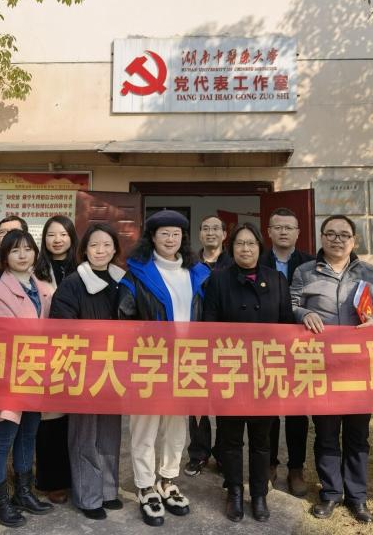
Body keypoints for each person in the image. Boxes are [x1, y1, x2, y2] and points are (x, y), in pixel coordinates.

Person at [292, 214, 373, 524]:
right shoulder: (305, 271)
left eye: (344, 235)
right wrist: (303, 313)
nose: (337, 239)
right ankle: (331, 493)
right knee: (325, 433)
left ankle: (357, 497)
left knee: (357, 435)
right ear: (322, 237)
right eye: (331, 234)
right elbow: (290, 304)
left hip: (359, 367)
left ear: (354, 240)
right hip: (321, 367)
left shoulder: (367, 272)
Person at [119, 210, 212, 527]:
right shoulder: (136, 274)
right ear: (152, 237)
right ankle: (146, 486)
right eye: (164, 234)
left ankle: (168, 480)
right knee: (145, 426)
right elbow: (124, 319)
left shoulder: (197, 273)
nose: (170, 239)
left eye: (176, 234)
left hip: (187, 362)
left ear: (183, 238)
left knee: (176, 426)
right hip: (150, 361)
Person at [203, 223, 295, 523]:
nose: (246, 249)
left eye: (251, 243)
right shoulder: (218, 279)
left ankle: (258, 493)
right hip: (230, 369)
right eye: (240, 243)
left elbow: (286, 325)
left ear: (259, 246)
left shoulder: (277, 279)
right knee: (230, 439)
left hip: (264, 371)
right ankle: (233, 491)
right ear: (232, 248)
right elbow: (209, 325)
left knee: (261, 439)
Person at [51, 223, 127, 520]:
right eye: (94, 245)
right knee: (85, 434)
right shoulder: (73, 283)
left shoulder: (123, 280)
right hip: (83, 370)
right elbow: (61, 327)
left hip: (114, 370)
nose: (100, 250)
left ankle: (108, 490)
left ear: (115, 249)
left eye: (107, 245)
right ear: (84, 250)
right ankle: (88, 496)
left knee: (110, 432)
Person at [0, 228, 55, 527]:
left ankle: (23, 493)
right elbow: (3, 338)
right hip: (9, 377)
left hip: (37, 375)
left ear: (35, 253)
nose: (22, 255)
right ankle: (0, 502)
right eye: (15, 250)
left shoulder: (45, 288)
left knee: (28, 434)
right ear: (5, 256)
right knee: (2, 439)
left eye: (27, 249)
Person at [262, 207, 313, 496]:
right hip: (266, 346)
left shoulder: (310, 263)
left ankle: (296, 468)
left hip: (300, 346)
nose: (283, 232)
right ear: (269, 231)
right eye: (277, 227)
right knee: (268, 409)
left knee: (297, 412)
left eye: (288, 227)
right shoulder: (258, 260)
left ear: (297, 232)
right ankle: (269, 464)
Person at [33, 215, 79, 503]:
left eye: (63, 234)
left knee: (78, 419)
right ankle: (52, 480)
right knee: (51, 420)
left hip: (82, 352)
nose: (57, 239)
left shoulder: (84, 268)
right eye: (51, 235)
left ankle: (80, 477)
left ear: (72, 237)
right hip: (47, 352)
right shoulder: (35, 271)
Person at [185, 214, 232, 476]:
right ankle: (198, 453)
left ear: (224, 235)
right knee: (196, 401)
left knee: (225, 399)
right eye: (205, 228)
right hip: (195, 341)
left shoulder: (233, 262)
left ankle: (224, 454)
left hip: (227, 344)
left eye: (216, 228)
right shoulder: (188, 264)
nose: (210, 232)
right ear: (200, 234)